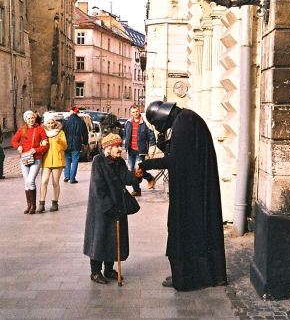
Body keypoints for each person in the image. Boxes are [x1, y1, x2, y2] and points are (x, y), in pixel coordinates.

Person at [139, 101, 228, 291]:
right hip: (193, 188)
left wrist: (146, 165)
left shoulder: (184, 123)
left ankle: (187, 277)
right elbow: (179, 154)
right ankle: (190, 274)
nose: (158, 128)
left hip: (191, 192)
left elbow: (174, 160)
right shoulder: (185, 119)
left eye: (157, 125)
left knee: (182, 230)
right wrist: (162, 138)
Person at [83, 133, 143, 284]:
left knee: (114, 239)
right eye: (117, 146)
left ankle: (109, 269)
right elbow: (98, 188)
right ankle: (95, 272)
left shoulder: (120, 162)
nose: (120, 149)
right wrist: (109, 206)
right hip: (102, 208)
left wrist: (136, 176)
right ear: (108, 148)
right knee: (100, 238)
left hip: (118, 206)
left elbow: (126, 179)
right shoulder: (98, 161)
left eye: (120, 145)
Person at [11, 111, 49, 214]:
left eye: (32, 118)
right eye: (29, 118)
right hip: (24, 158)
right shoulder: (22, 129)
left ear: (35, 118)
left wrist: (36, 150)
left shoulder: (40, 129)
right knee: (26, 182)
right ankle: (28, 205)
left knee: (30, 180)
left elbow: (46, 145)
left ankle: (33, 205)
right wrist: (18, 146)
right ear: (25, 119)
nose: (31, 120)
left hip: (36, 158)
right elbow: (14, 140)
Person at [123, 105, 156, 196]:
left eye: (137, 111)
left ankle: (137, 190)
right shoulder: (128, 123)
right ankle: (149, 178)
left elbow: (151, 137)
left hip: (141, 151)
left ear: (139, 111)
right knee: (132, 170)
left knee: (138, 170)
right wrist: (124, 146)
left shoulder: (145, 123)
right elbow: (125, 135)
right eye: (133, 112)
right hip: (131, 150)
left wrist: (151, 149)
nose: (135, 113)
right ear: (130, 113)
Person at [38, 113, 68, 212]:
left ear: (54, 123)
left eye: (52, 123)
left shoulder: (60, 132)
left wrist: (59, 140)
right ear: (45, 124)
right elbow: (38, 145)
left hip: (57, 161)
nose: (50, 125)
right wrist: (41, 144)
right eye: (48, 123)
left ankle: (55, 203)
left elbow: (65, 147)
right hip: (46, 161)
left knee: (55, 183)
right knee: (44, 181)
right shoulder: (42, 133)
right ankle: (41, 203)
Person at [62, 106, 88, 184]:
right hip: (77, 144)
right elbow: (85, 133)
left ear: (72, 111)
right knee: (75, 160)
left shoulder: (66, 121)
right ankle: (72, 178)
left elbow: (62, 132)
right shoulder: (81, 121)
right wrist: (85, 143)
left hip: (67, 143)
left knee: (67, 160)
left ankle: (67, 176)